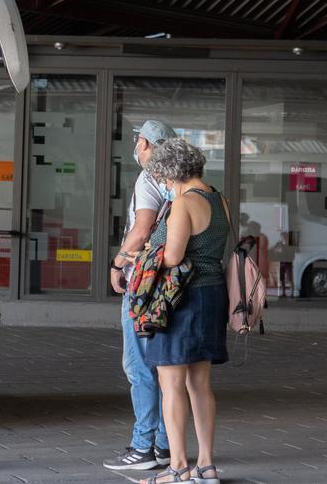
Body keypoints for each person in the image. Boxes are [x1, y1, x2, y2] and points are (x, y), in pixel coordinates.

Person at [140, 138, 229, 484]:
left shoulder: (184, 204)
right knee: (200, 383)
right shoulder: (218, 199)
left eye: (161, 176)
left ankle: (178, 467)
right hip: (212, 295)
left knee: (171, 382)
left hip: (179, 299)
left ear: (170, 172)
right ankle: (206, 465)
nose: (161, 183)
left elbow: (174, 256)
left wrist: (146, 253)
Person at [106, 119, 177, 472]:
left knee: (139, 365)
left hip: (143, 284)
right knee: (162, 365)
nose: (136, 145)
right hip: (169, 287)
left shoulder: (149, 178)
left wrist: (118, 262)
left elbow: (142, 227)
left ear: (149, 144)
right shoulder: (178, 183)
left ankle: (142, 446)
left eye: (138, 140)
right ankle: (164, 445)